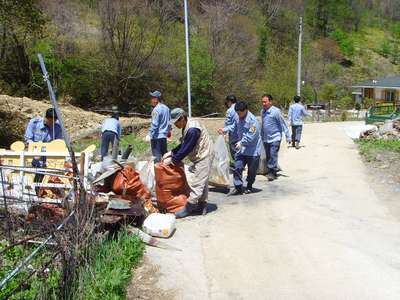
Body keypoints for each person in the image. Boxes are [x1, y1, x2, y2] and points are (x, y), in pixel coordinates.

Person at [163, 108, 212, 218]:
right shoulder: (187, 126)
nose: (175, 125)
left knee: (197, 182)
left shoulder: (192, 130)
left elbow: (186, 148)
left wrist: (173, 160)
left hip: (204, 154)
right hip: (199, 154)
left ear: (182, 118)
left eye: (176, 122)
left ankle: (189, 207)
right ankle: (202, 205)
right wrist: (171, 152)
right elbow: (184, 144)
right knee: (202, 181)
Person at [228, 101, 261, 196]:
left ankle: (249, 185)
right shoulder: (238, 117)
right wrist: (225, 129)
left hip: (253, 151)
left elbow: (251, 136)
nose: (238, 115)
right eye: (237, 113)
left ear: (246, 110)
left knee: (251, 171)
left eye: (240, 113)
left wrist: (241, 142)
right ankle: (238, 187)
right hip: (242, 150)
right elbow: (234, 126)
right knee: (237, 167)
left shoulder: (253, 121)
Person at [260, 94, 291, 181]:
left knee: (273, 154)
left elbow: (283, 123)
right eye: (262, 102)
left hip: (275, 137)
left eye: (265, 102)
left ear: (270, 102)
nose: (263, 103)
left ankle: (272, 172)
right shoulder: (262, 111)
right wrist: (260, 136)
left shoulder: (276, 111)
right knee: (268, 155)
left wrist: (288, 136)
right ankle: (272, 169)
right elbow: (262, 125)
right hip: (266, 138)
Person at [147, 90, 171, 162]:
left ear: (156, 99)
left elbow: (155, 124)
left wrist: (149, 134)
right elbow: (169, 123)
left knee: (156, 157)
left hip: (156, 137)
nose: (151, 100)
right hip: (163, 136)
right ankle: (166, 171)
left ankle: (158, 172)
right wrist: (168, 131)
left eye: (152, 98)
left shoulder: (156, 110)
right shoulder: (167, 108)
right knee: (165, 156)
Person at [217, 95, 239, 162]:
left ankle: (238, 167)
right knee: (240, 151)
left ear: (229, 102)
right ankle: (241, 165)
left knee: (234, 151)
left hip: (233, 134)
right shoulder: (240, 108)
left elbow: (228, 123)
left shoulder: (230, 110)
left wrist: (224, 131)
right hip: (241, 133)